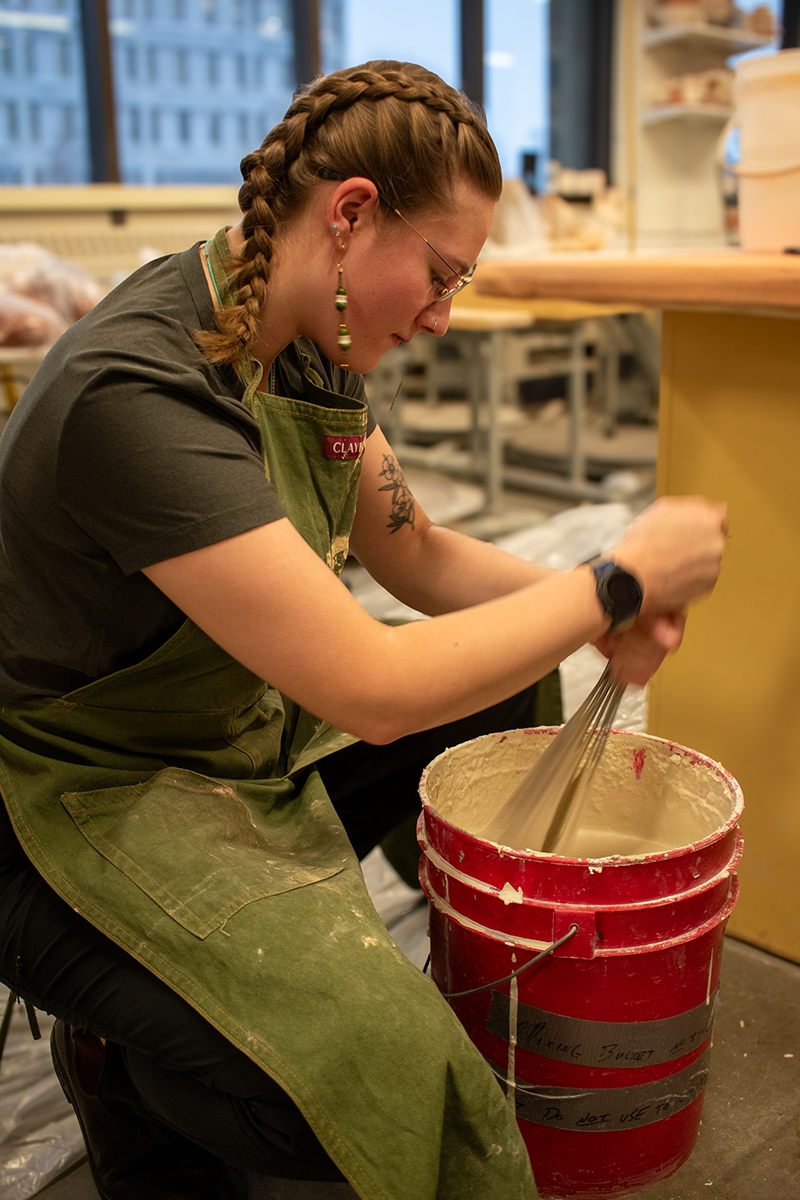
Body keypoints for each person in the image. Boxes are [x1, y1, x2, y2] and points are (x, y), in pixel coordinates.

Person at [0, 61, 726, 1200]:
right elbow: (370, 688)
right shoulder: (139, 395)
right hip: (64, 803)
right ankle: (122, 1060)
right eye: (437, 275)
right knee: (383, 1083)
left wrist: (594, 607)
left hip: (222, 737)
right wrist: (606, 585)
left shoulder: (293, 337)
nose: (442, 316)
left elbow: (421, 556)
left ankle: (332, 987)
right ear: (347, 215)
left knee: (505, 687)